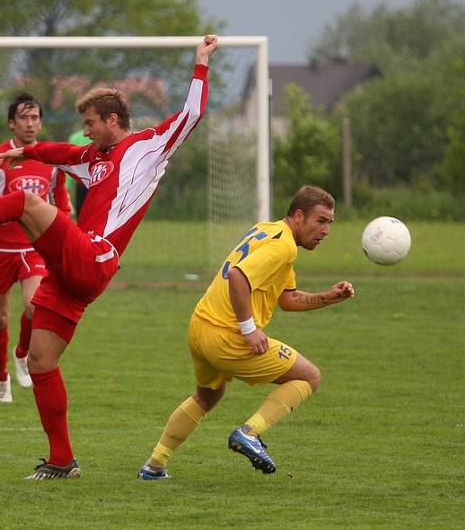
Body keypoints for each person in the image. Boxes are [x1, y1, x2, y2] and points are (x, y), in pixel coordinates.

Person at [0, 35, 219, 480]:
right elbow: (58, 152)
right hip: (76, 269)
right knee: (43, 362)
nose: (84, 130)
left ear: (112, 118)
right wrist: (22, 150)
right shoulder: (92, 156)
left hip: (94, 256)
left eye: (90, 122)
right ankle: (63, 460)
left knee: (24, 205)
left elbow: (193, 112)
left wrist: (200, 62)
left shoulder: (150, 146)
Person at [137, 185, 355, 480]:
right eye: (321, 221)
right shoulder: (283, 246)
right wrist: (249, 329)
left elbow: (288, 299)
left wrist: (327, 297)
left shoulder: (268, 230)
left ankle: (154, 466)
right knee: (309, 376)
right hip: (228, 337)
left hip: (200, 327)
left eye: (330, 222)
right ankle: (249, 433)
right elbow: (238, 276)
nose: (326, 230)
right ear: (300, 216)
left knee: (207, 397)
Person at [0, 92, 72, 403]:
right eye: (24, 117)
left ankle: (22, 352)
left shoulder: (50, 161)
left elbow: (61, 205)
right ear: (12, 124)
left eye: (35, 117)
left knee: (35, 307)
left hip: (34, 248)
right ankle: (1, 378)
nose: (30, 123)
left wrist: (62, 228)